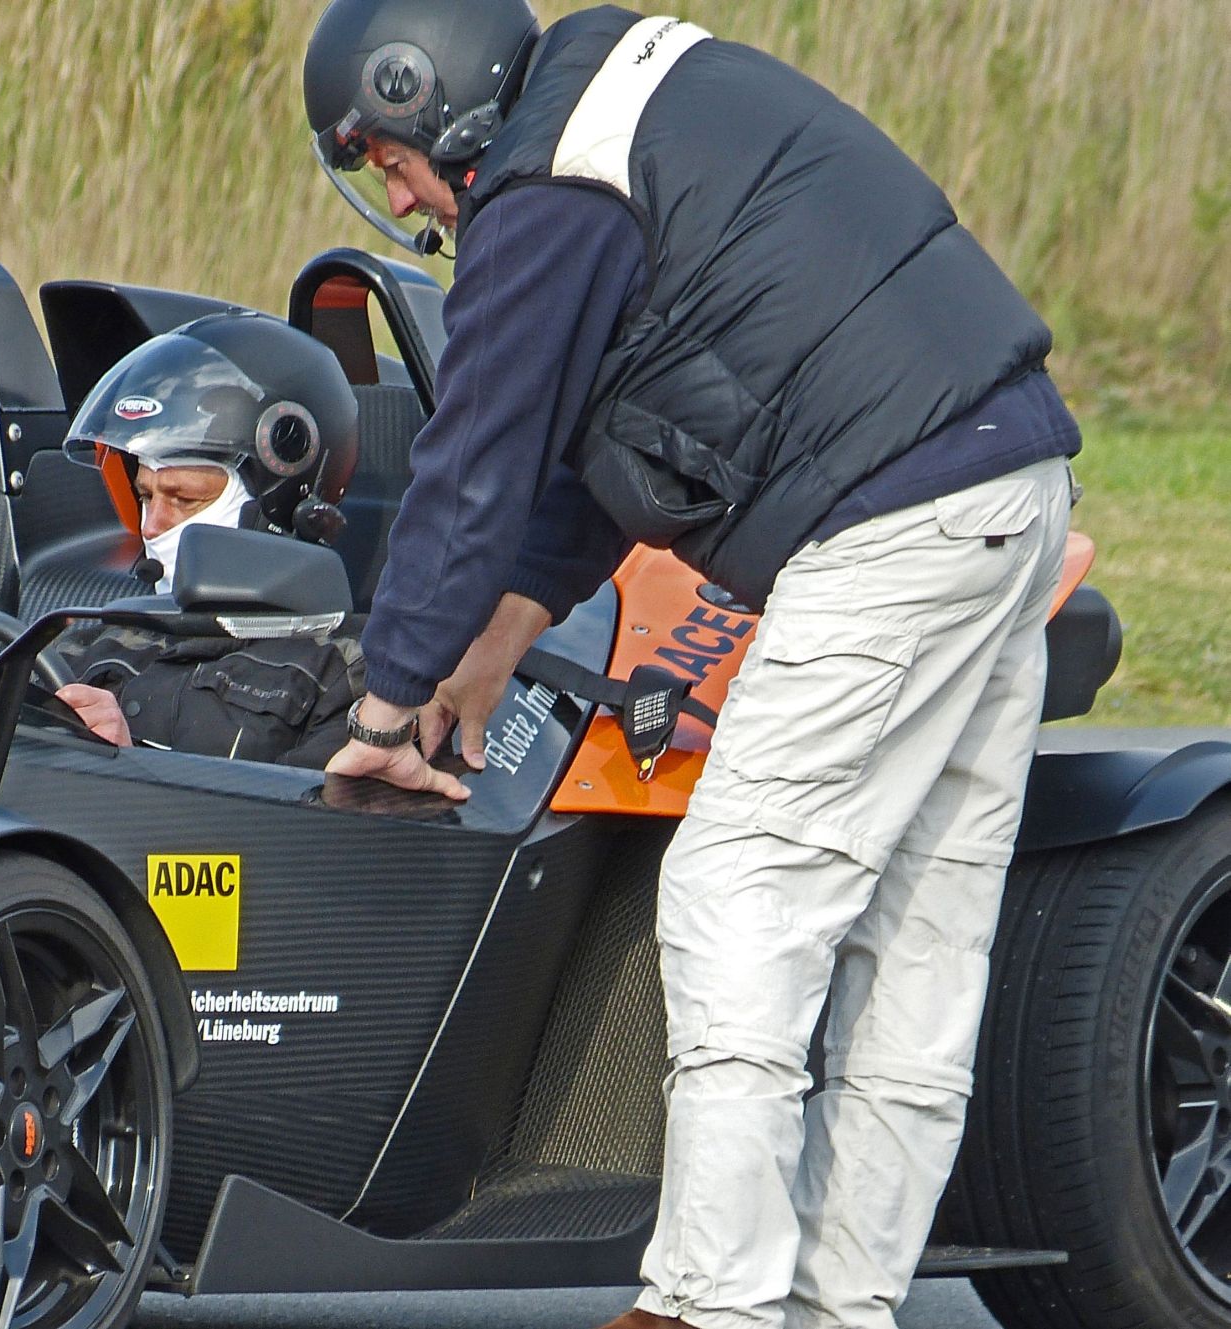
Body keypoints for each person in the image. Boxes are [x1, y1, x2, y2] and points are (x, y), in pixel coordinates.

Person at [303, 4, 1081, 1329]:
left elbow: (475, 462)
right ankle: (837, 1309)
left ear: (436, 100)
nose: (401, 195)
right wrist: (486, 653)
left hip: (890, 515)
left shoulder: (547, 194)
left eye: (390, 157)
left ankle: (708, 1305)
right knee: (916, 940)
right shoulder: (617, 118)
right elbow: (605, 455)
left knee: (738, 893)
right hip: (1007, 485)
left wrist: (382, 707)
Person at [54, 311, 365, 769]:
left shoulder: (347, 677)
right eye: (145, 496)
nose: (151, 526)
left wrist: (130, 765)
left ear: (279, 503)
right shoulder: (92, 644)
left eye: (184, 498)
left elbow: (298, 814)